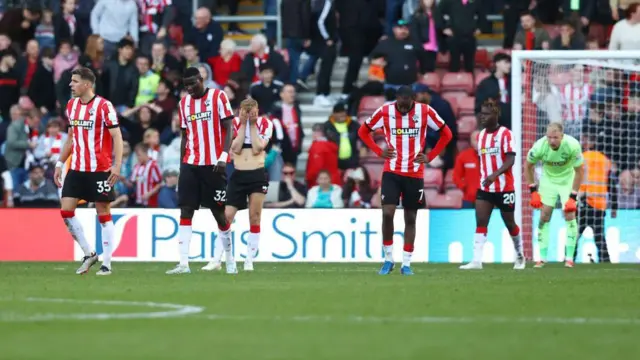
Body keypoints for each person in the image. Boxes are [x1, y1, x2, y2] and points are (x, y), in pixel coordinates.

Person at [357, 85, 452, 275]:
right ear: (396, 99)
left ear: (413, 100)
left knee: (410, 218)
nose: (402, 108)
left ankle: (406, 263)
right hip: (391, 171)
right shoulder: (385, 111)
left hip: (414, 173)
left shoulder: (425, 111)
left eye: (406, 105)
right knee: (387, 213)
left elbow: (447, 133)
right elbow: (362, 132)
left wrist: (431, 156)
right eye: (399, 104)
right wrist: (378, 151)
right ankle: (388, 259)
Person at [53, 67, 124, 276]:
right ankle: (89, 253)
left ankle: (107, 264)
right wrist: (59, 163)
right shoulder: (71, 105)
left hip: (100, 169)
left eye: (74, 81)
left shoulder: (104, 106)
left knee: (103, 213)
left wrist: (117, 165)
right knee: (66, 211)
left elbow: (117, 137)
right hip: (76, 168)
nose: (70, 85)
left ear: (87, 84)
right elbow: (71, 138)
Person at [166, 67, 235, 275]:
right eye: (186, 85)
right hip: (191, 163)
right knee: (186, 210)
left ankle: (230, 260)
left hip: (214, 164)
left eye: (192, 84)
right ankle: (184, 263)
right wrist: (181, 166)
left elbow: (229, 128)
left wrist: (224, 156)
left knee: (218, 213)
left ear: (201, 79)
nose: (189, 88)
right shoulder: (183, 103)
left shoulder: (218, 96)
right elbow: (185, 136)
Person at [202, 99, 273, 272]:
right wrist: (243, 125)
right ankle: (217, 259)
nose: (249, 114)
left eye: (252, 111)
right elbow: (235, 148)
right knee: (226, 216)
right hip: (238, 175)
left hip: (257, 174)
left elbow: (258, 148)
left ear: (257, 110)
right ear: (239, 111)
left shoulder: (266, 123)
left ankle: (249, 260)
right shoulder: (233, 123)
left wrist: (253, 125)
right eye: (245, 111)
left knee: (254, 216)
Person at [459, 100, 524, 270]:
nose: (482, 117)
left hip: (504, 188)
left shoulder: (506, 134)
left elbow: (511, 159)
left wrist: (495, 175)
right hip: (485, 187)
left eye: (486, 114)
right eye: (481, 113)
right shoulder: (480, 136)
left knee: (509, 223)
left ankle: (520, 256)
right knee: (481, 221)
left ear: (495, 115)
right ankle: (476, 260)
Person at [525, 122, 584, 268]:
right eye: (549, 137)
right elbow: (528, 166)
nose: (552, 141)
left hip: (567, 181)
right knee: (544, 216)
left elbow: (579, 172)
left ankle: (569, 258)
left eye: (555, 137)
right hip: (548, 181)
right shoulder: (539, 146)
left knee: (570, 215)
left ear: (562, 136)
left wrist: (573, 196)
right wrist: (533, 192)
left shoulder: (572, 145)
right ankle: (542, 258)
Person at [574, 133, 618, 263]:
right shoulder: (605, 160)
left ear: (591, 142)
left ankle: (568, 260)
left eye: (585, 140)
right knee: (600, 238)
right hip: (599, 205)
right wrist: (614, 206)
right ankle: (606, 262)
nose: (583, 142)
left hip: (583, 203)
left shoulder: (581, 158)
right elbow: (611, 184)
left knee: (574, 236)